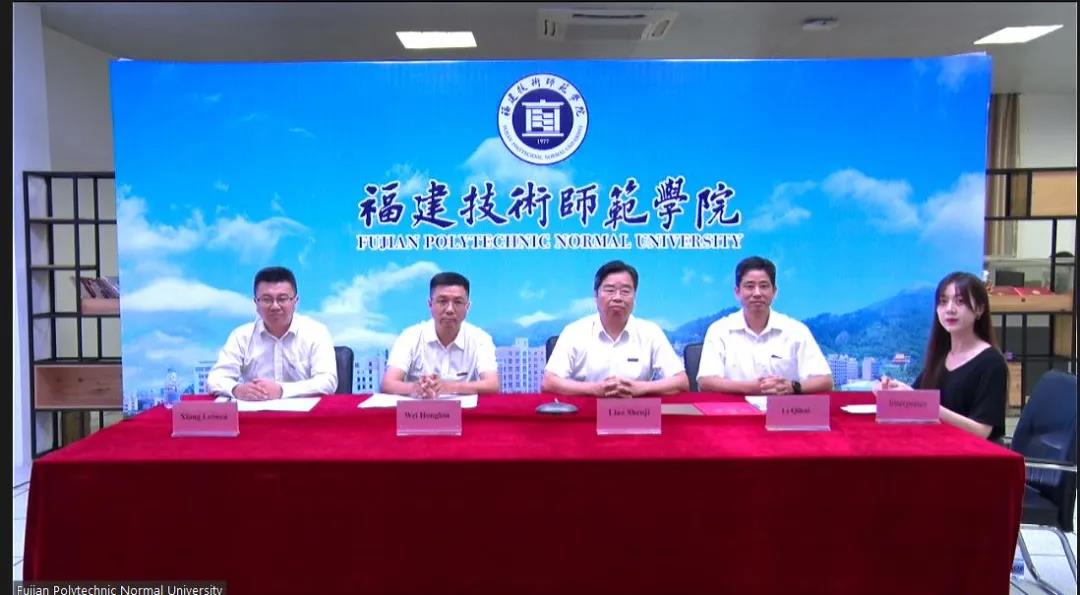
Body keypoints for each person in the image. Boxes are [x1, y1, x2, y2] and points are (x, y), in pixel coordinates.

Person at [874, 271, 1008, 441]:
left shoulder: (992, 362)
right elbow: (917, 399)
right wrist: (892, 391)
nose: (949, 309)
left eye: (960, 301)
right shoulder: (942, 355)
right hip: (933, 445)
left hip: (968, 453)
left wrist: (928, 406)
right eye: (943, 302)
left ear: (979, 309)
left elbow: (982, 431)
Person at [542, 260, 688, 398]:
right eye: (610, 290)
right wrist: (594, 389)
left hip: (636, 411)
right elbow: (549, 382)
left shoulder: (650, 332)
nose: (617, 297)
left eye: (625, 291)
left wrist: (640, 388)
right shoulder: (574, 332)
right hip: (586, 410)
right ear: (595, 296)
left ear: (634, 297)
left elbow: (681, 382)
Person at [697, 256, 833, 395]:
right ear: (737, 292)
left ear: (774, 291)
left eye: (763, 286)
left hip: (784, 406)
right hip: (733, 407)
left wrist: (792, 387)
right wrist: (750, 388)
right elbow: (705, 381)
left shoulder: (796, 330)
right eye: (749, 286)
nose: (757, 293)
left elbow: (825, 380)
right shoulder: (719, 330)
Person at [207, 266, 337, 400]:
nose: (275, 306)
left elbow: (327, 381)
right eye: (266, 299)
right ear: (256, 303)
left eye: (282, 299)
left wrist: (282, 390)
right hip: (257, 411)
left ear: (295, 301)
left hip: (306, 412)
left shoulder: (316, 332)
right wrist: (236, 390)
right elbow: (215, 379)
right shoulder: (241, 337)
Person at [382, 272, 500, 398]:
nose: (450, 310)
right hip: (419, 409)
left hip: (464, 410)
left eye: (458, 302)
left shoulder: (481, 339)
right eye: (442, 301)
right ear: (430, 304)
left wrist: (449, 387)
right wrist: (416, 388)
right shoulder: (409, 336)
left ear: (467, 307)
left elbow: (492, 385)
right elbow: (388, 384)